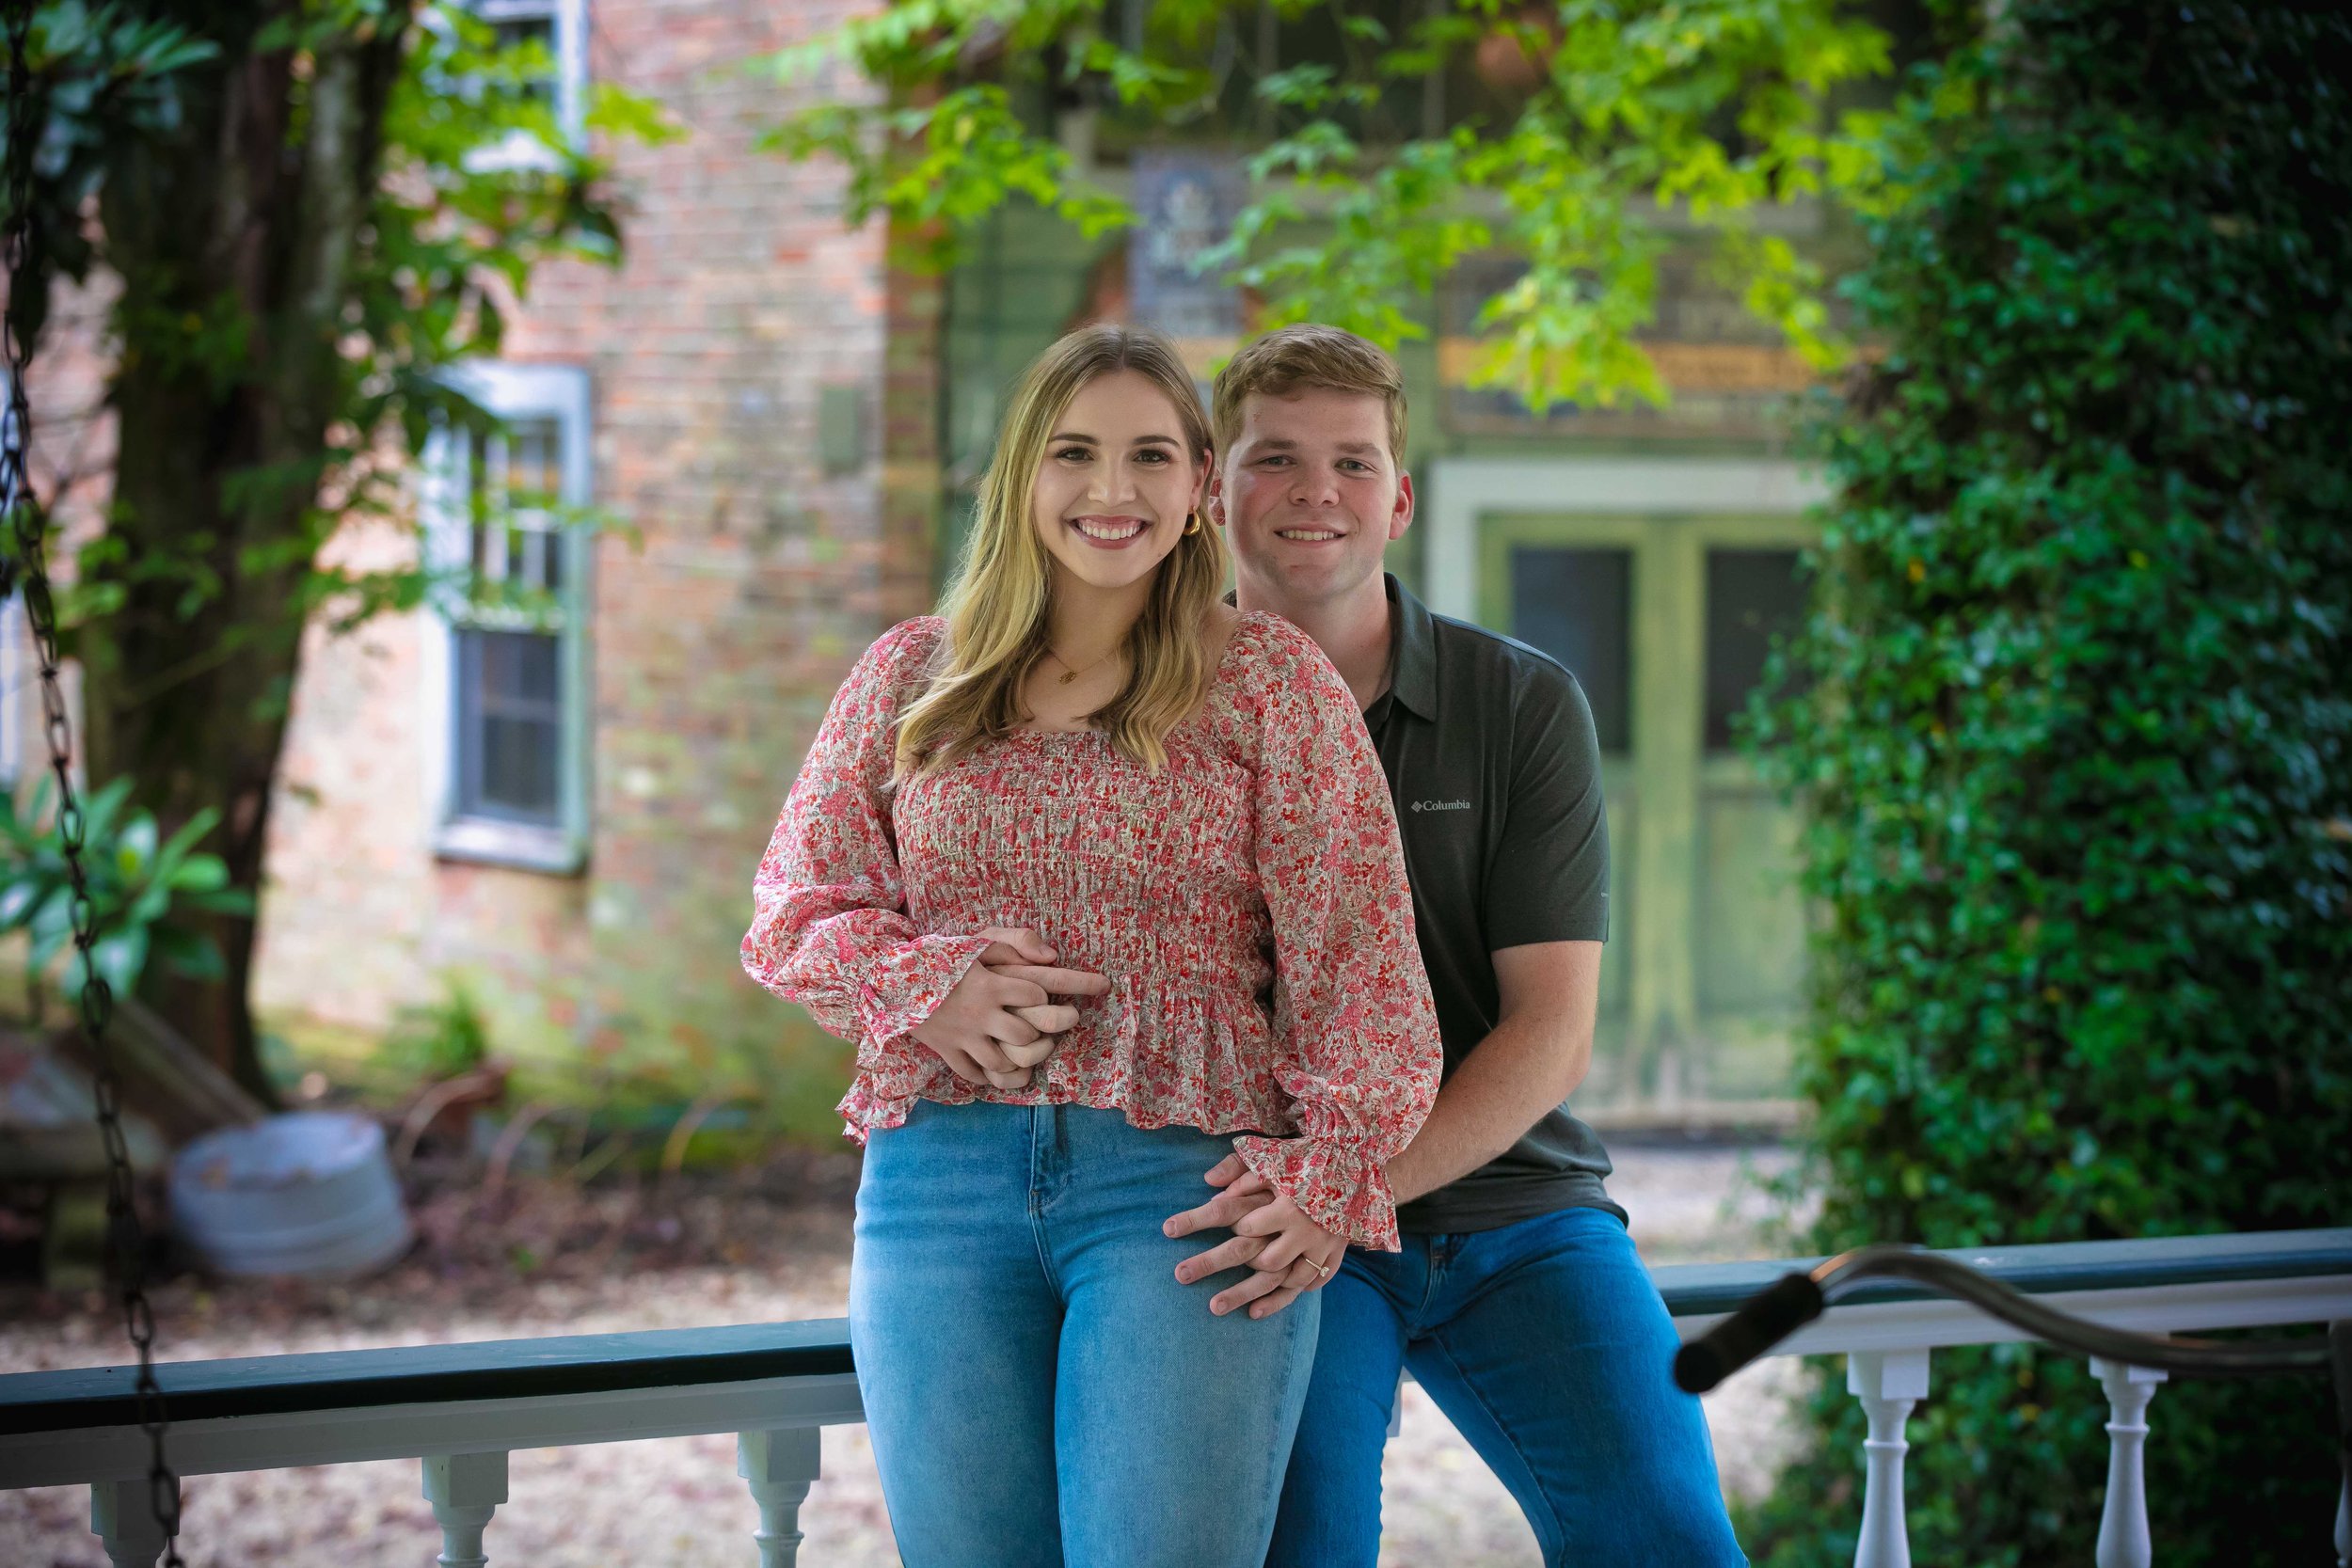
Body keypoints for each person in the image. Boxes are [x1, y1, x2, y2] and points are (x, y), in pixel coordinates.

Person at [739, 323, 1443, 1568]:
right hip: (935, 1191)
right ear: (1021, 473)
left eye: (1149, 457)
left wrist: (1330, 1173)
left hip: (1183, 1197)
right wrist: (927, 986)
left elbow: (1362, 964)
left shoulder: (1268, 682)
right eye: (1074, 453)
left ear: (1199, 486)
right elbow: (793, 909)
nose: (1111, 489)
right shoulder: (910, 674)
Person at [1153, 324, 1750, 1565]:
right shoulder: (1154, 712)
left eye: (1354, 463)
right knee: (1302, 1550)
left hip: (1514, 1206)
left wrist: (1353, 1187)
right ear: (1212, 490)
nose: (1317, 492)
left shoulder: (1517, 702)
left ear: (1401, 499)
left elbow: (1554, 1030)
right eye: (1277, 459)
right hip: (1277, 1226)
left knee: (1671, 1536)